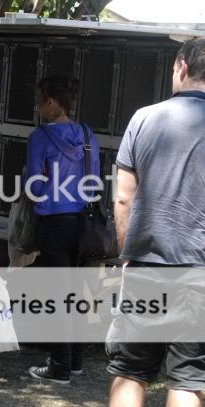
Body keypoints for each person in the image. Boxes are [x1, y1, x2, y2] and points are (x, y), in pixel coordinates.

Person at [107, 38, 205, 407]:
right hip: (200, 272)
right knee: (188, 377)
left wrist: (125, 254)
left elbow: (123, 199)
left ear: (181, 66)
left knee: (131, 372)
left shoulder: (143, 118)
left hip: (146, 267)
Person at [25, 75, 100, 384]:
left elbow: (35, 184)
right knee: (77, 290)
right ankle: (77, 360)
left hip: (54, 223)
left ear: (52, 102)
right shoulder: (86, 134)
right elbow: (93, 178)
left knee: (56, 294)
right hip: (83, 224)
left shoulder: (40, 137)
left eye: (40, 100)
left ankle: (59, 367)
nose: (38, 107)